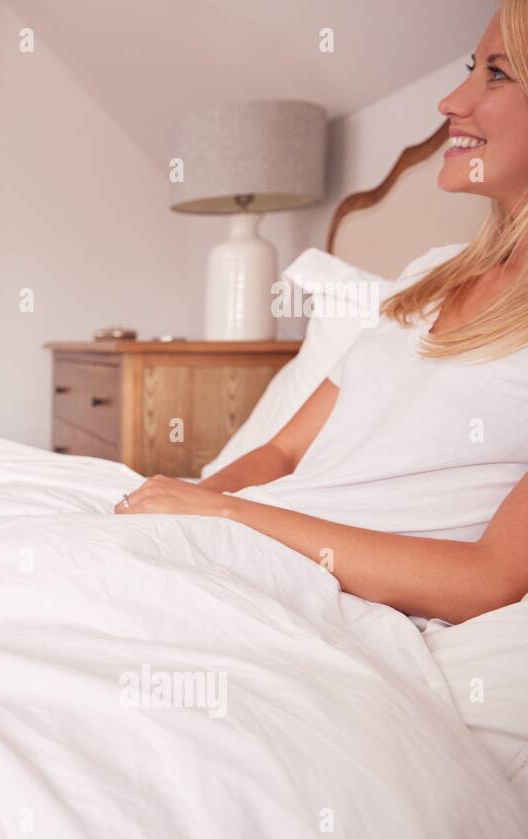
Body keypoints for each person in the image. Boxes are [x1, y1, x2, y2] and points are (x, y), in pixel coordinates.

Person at [117, 0, 528, 627]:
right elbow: (282, 452)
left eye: (496, 73)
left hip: (320, 597)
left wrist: (228, 515)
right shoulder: (429, 277)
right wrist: (192, 501)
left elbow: (489, 579)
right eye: (470, 68)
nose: (450, 101)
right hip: (251, 544)